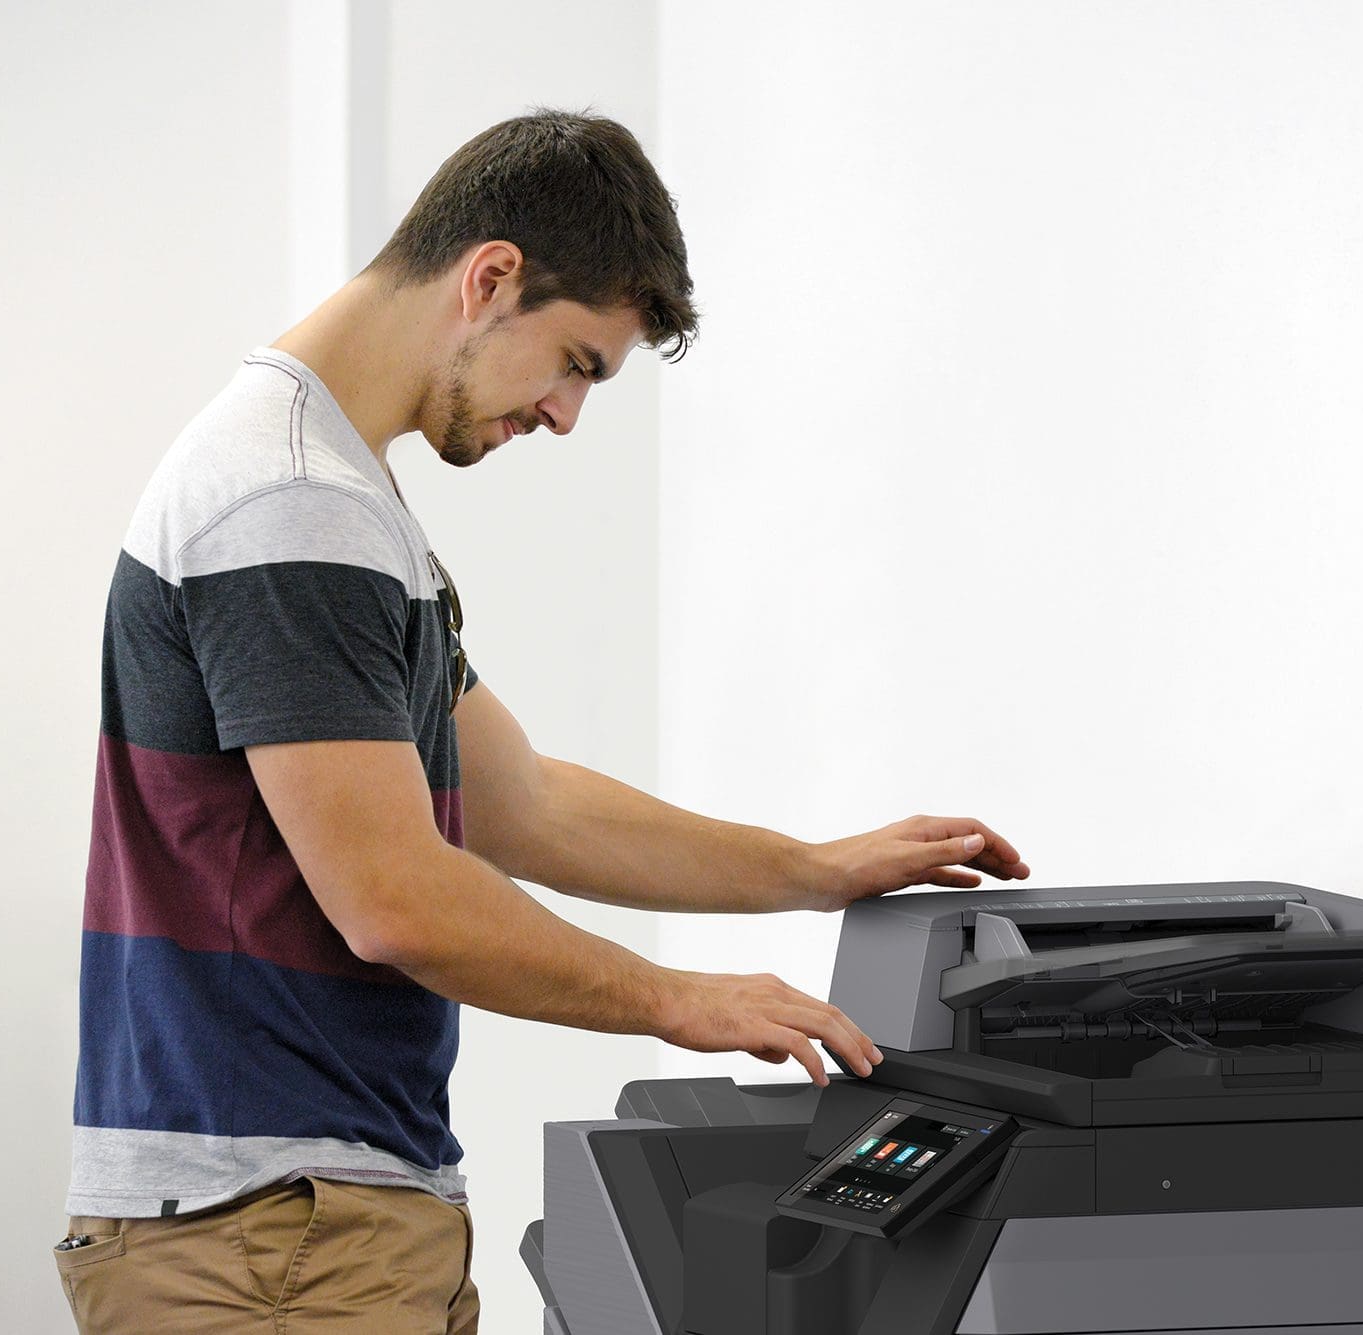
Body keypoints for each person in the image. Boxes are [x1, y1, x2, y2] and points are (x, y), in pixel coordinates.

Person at [55, 108, 1028, 1334]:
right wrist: (678, 1001)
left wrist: (816, 871)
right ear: (492, 278)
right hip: (272, 1231)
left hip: (315, 1216)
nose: (564, 415)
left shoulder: (336, 495)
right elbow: (395, 898)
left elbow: (521, 801)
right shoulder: (290, 502)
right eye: (574, 362)